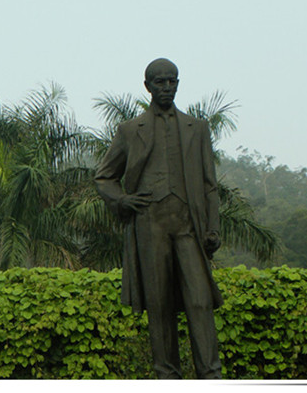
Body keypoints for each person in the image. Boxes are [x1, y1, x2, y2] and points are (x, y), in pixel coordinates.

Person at [94, 58, 223, 379]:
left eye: (172, 81)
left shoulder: (197, 128)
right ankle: (167, 376)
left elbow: (209, 184)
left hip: (188, 226)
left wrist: (212, 227)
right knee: (159, 303)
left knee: (200, 300)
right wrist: (122, 200)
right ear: (147, 86)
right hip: (150, 225)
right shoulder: (130, 130)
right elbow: (104, 177)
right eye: (160, 82)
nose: (167, 87)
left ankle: (210, 375)